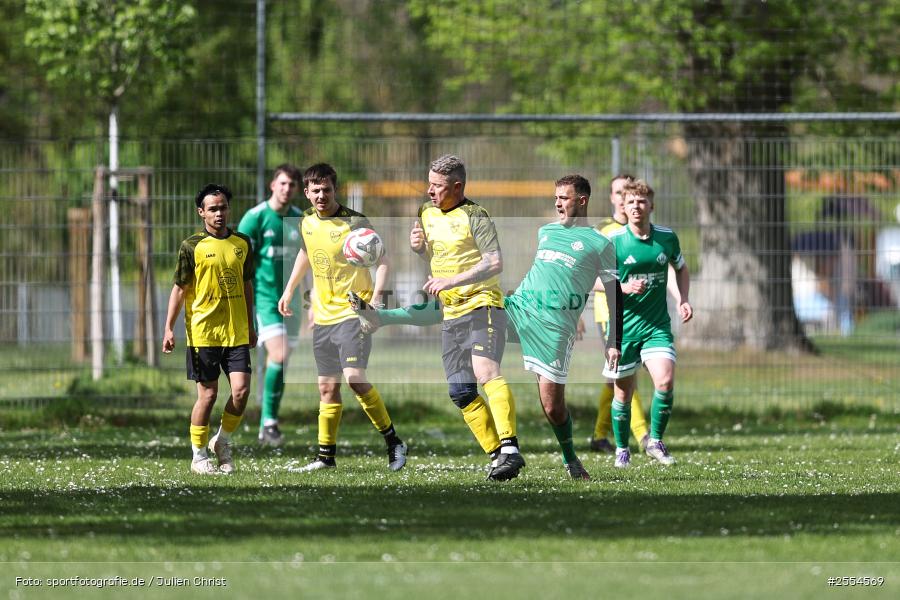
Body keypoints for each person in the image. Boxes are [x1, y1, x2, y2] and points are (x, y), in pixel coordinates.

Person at [352, 174, 624, 480]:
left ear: (582, 200)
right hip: (518, 308)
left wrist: (613, 339)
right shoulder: (546, 231)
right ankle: (381, 317)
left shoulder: (601, 243)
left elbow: (611, 290)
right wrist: (422, 248)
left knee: (552, 407)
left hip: (554, 329)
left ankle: (570, 459)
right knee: (455, 305)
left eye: (565, 197)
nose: (558, 203)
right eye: (556, 197)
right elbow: (552, 273)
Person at [278, 163, 407, 473]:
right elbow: (307, 253)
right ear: (307, 193)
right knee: (326, 388)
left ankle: (394, 442)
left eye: (328, 189)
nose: (322, 195)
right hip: (323, 315)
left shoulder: (355, 222)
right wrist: (289, 290)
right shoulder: (306, 221)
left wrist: (374, 301)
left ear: (335, 190)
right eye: (316, 190)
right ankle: (325, 457)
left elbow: (385, 261)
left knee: (354, 379)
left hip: (353, 313)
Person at [412, 154, 525, 481]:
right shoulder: (426, 211)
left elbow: (494, 262)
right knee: (460, 391)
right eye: (429, 184)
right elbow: (438, 256)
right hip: (451, 312)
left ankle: (510, 447)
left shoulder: (477, 215)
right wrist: (419, 248)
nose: (430, 191)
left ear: (457, 186)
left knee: (486, 370)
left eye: (438, 186)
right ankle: (498, 457)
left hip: (482, 303)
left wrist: (452, 281)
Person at [162, 183, 257, 475]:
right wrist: (168, 328)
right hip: (203, 332)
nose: (219, 213)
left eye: (223, 207)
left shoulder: (242, 243)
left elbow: (246, 284)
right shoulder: (192, 246)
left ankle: (222, 441)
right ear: (201, 212)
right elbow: (180, 290)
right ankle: (198, 456)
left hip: (237, 332)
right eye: (212, 209)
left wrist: (251, 324)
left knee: (241, 392)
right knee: (208, 395)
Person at [602, 179, 692, 468]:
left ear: (651, 205)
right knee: (623, 393)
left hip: (657, 326)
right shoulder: (614, 242)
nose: (636, 206)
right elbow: (593, 280)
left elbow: (681, 268)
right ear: (623, 208)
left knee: (664, 381)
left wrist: (683, 299)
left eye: (641, 201)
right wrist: (623, 288)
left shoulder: (666, 238)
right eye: (630, 202)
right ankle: (621, 450)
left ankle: (655, 441)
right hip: (624, 328)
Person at [238, 164, 304, 447]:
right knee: (278, 354)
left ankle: (268, 424)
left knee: (280, 361)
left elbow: (310, 263)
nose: (287, 188)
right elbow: (239, 261)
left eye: (292, 185)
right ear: (272, 185)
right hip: (265, 299)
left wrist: (313, 302)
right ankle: (269, 422)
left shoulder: (301, 220)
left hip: (292, 302)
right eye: (283, 183)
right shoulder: (255, 218)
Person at [588, 174, 650, 454]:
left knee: (614, 378)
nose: (625, 198)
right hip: (609, 314)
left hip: (642, 314)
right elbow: (588, 275)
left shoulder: (644, 231)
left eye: (629, 192)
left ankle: (599, 436)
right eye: (618, 192)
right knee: (625, 374)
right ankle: (643, 436)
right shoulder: (604, 231)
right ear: (614, 198)